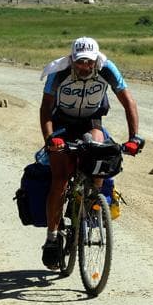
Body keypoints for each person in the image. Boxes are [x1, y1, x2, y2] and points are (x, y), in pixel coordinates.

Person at [39, 36, 144, 269]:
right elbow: (45, 108)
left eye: (89, 62)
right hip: (62, 123)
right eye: (80, 61)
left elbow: (129, 102)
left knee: (99, 156)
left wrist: (134, 138)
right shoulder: (59, 72)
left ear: (96, 59)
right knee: (60, 179)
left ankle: (89, 203)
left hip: (91, 121)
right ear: (72, 59)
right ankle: (52, 237)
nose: (85, 66)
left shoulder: (107, 69)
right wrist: (50, 140)